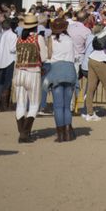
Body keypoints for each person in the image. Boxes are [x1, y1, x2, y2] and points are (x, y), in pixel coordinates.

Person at [13, 13, 48, 144]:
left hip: (19, 72)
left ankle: (22, 131)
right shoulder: (38, 38)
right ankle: (25, 133)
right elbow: (44, 57)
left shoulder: (19, 38)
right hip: (33, 73)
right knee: (34, 105)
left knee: (21, 104)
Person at [47, 16, 80, 142]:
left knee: (58, 106)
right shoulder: (70, 39)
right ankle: (67, 132)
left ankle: (60, 134)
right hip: (70, 70)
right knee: (67, 106)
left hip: (56, 70)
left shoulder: (51, 40)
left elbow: (49, 55)